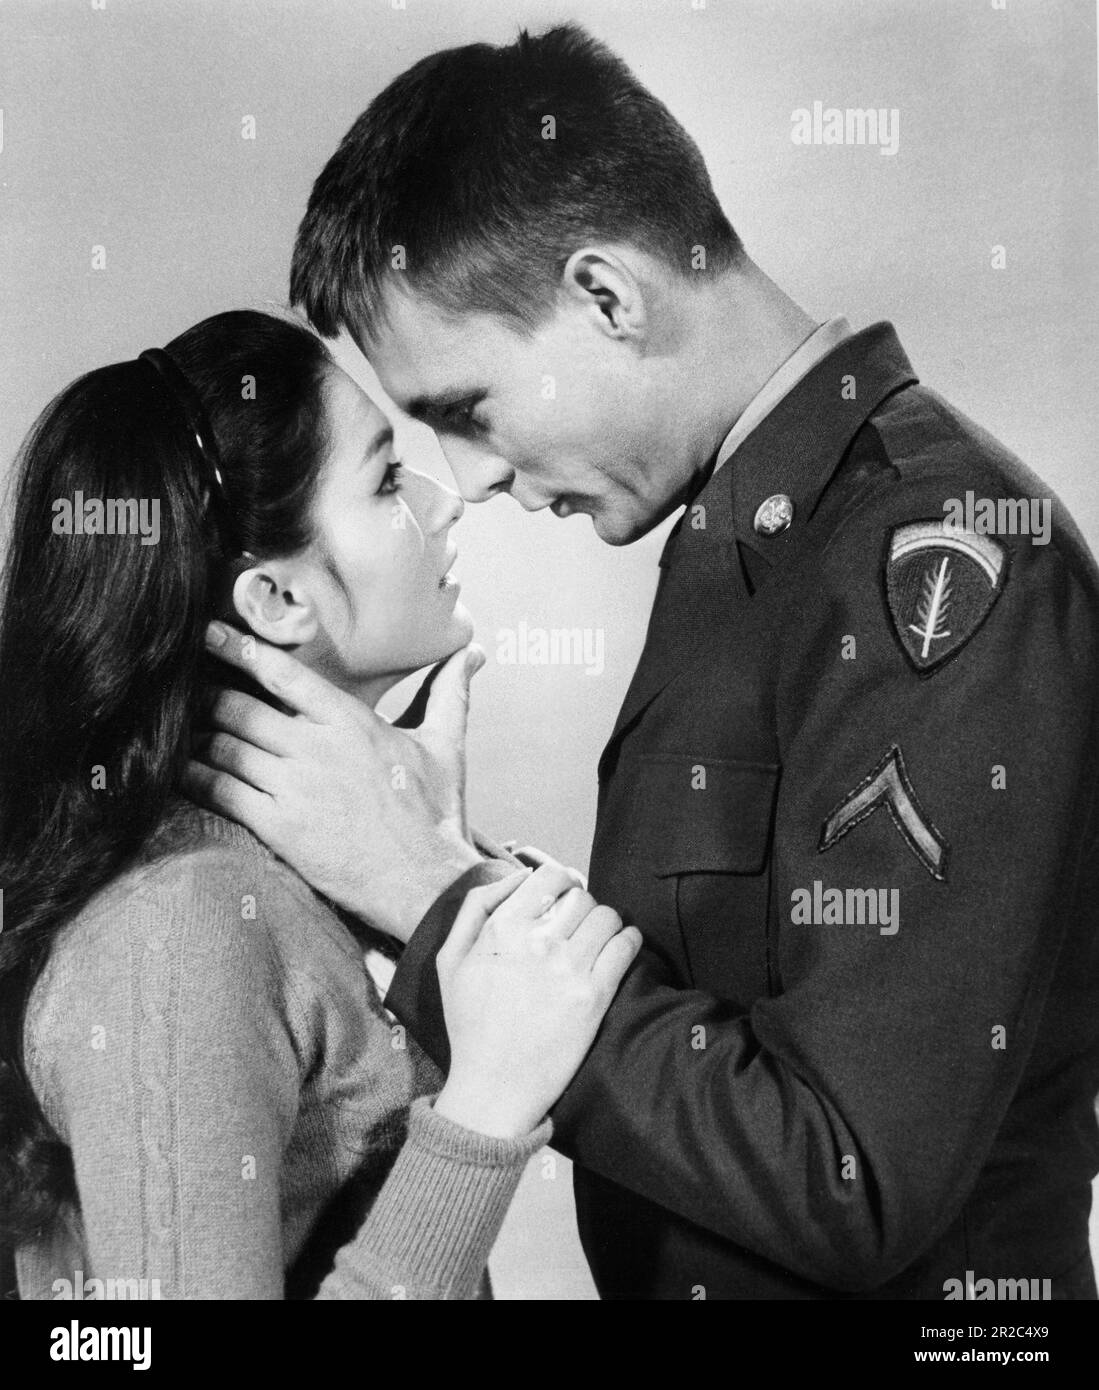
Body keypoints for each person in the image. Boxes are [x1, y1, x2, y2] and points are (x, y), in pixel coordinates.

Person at [191, 25, 1099, 1299]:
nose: (480, 481)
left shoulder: (930, 560)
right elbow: (724, 1001)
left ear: (607, 295)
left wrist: (436, 899)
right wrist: (460, 875)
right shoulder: (749, 529)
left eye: (466, 412)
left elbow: (849, 1174)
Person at [0, 307, 640, 1301]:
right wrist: (482, 1112)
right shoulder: (179, 928)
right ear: (277, 603)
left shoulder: (271, 880)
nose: (443, 502)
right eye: (386, 479)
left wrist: (432, 866)